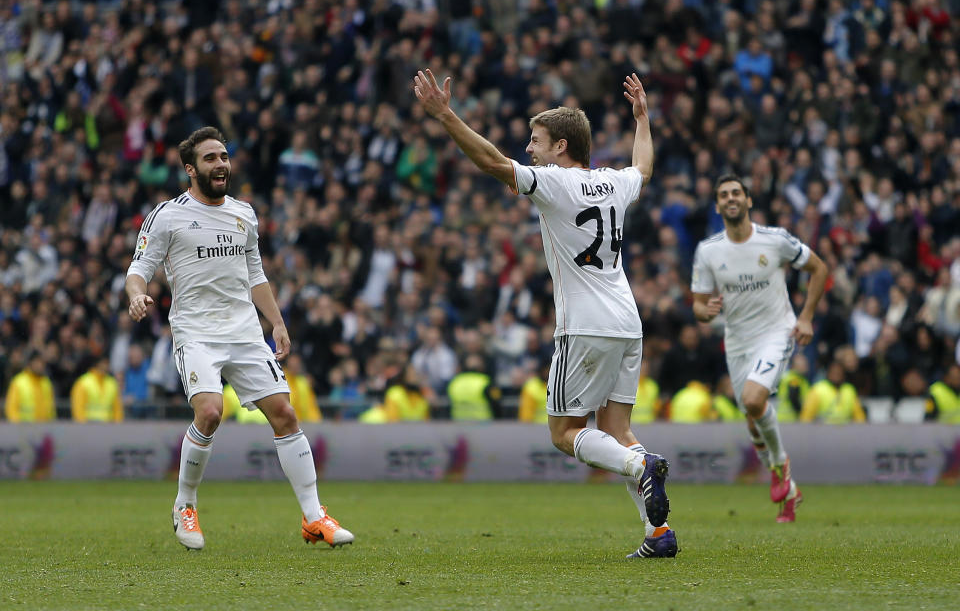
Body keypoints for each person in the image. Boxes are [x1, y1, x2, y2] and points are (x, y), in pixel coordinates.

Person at [414, 69, 675, 558]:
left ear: (560, 146)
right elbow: (644, 168)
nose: (528, 148)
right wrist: (643, 120)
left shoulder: (554, 184)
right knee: (618, 432)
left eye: (535, 141)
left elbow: (492, 163)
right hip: (627, 322)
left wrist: (446, 115)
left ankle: (643, 469)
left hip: (584, 325)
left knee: (564, 433)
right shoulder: (613, 183)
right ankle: (658, 534)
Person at [125, 126, 352, 551]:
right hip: (196, 332)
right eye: (210, 158)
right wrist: (138, 295)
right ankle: (185, 506)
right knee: (210, 412)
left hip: (245, 332)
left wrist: (277, 322)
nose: (221, 164)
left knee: (285, 414)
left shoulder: (244, 213)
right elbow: (139, 268)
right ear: (191, 168)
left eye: (224, 156)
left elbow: (255, 275)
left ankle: (314, 517)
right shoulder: (167, 215)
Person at [692, 174, 829, 523]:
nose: (730, 198)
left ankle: (780, 465)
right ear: (718, 205)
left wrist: (807, 317)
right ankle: (791, 491)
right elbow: (698, 303)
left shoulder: (775, 240)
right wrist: (704, 312)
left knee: (755, 401)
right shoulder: (709, 251)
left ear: (748, 200)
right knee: (753, 422)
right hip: (737, 341)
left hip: (776, 333)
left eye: (736, 192)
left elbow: (819, 268)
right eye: (723, 195)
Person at [5, 351, 55, 423]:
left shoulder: (46, 382)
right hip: (24, 430)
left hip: (44, 430)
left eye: (42, 363)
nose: (40, 365)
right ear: (30, 363)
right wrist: (17, 428)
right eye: (37, 362)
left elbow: (51, 409)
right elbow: (11, 409)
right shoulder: (19, 382)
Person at [70, 355, 123, 423]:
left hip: (109, 426)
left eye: (107, 363)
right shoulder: (83, 382)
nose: (106, 366)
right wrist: (82, 427)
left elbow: (117, 409)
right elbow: (78, 408)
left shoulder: (112, 383)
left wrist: (118, 426)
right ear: (97, 364)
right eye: (104, 363)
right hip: (89, 426)